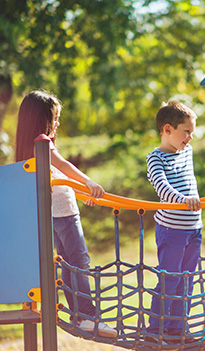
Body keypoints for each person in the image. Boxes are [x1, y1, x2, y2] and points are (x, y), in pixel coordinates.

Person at [15, 90, 117, 338]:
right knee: (79, 262)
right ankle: (87, 316)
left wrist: (83, 193)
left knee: (69, 263)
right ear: (42, 120)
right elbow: (64, 167)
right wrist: (89, 182)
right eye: (55, 117)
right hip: (65, 216)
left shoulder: (29, 146)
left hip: (53, 216)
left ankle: (79, 315)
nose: (58, 123)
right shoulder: (44, 142)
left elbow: (57, 181)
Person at [146, 100, 202, 345]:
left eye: (192, 131)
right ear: (167, 130)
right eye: (186, 131)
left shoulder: (186, 151)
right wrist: (184, 200)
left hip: (194, 228)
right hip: (172, 230)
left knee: (187, 280)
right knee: (169, 279)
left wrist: (190, 203)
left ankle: (178, 329)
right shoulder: (155, 158)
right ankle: (154, 330)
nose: (190, 137)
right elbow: (162, 187)